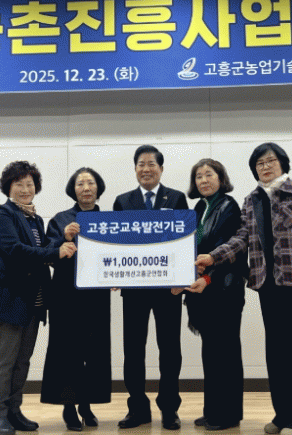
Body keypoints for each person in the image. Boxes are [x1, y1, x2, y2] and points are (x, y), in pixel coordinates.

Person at [195, 143, 292, 435]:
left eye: (270, 161)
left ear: (282, 163)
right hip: (266, 284)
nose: (265, 167)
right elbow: (240, 238)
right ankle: (282, 415)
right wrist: (213, 257)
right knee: (276, 352)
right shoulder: (251, 199)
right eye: (259, 164)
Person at [0, 161, 77, 435]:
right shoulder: (1, 214)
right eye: (19, 184)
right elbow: (16, 251)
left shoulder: (35, 219)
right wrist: (56, 252)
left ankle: (14, 411)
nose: (25, 189)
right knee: (5, 361)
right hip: (9, 299)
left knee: (22, 361)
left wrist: (63, 238)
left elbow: (45, 248)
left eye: (30, 184)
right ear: (8, 187)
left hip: (34, 301)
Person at [113, 145, 189, 430]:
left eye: (151, 164)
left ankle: (169, 408)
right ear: (135, 169)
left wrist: (182, 278)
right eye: (141, 164)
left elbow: (185, 241)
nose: (146, 169)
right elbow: (115, 245)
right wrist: (112, 274)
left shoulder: (177, 198)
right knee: (133, 350)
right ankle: (138, 408)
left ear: (161, 168)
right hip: (134, 290)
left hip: (168, 289)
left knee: (170, 349)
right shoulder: (123, 201)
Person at [172, 159, 248, 430]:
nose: (203, 180)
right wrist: (179, 278)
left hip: (224, 290)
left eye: (209, 175)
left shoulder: (229, 207)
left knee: (225, 353)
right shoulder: (199, 208)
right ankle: (213, 410)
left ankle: (227, 415)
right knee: (211, 353)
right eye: (198, 176)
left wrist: (207, 277)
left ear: (220, 178)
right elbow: (188, 250)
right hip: (202, 291)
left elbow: (229, 250)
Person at [41, 167, 111, 431]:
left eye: (91, 182)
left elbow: (118, 255)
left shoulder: (108, 221)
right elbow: (47, 254)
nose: (86, 187)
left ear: (98, 188)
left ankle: (87, 405)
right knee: (67, 352)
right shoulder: (61, 219)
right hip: (65, 296)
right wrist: (64, 238)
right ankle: (69, 407)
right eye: (80, 183)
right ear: (73, 189)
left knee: (94, 352)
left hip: (96, 297)